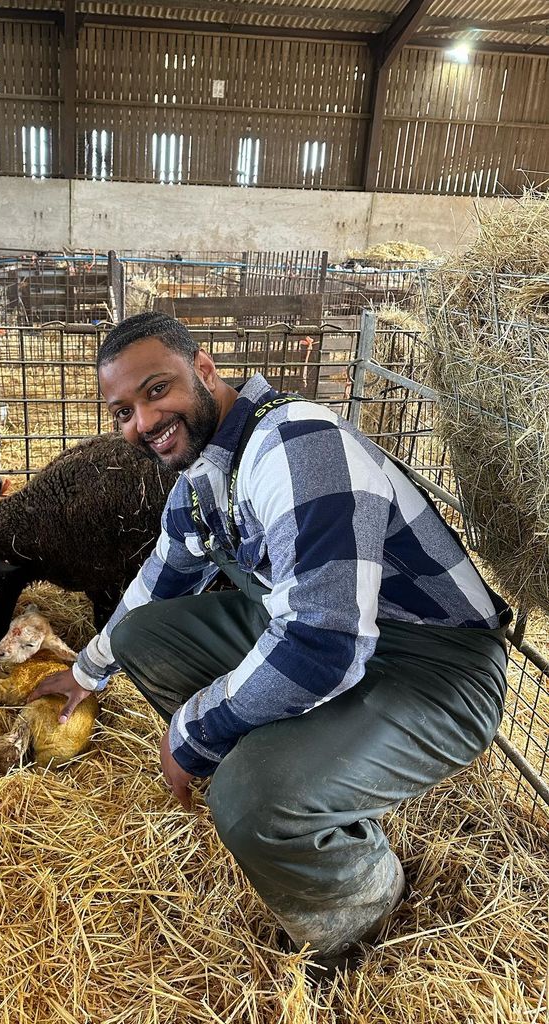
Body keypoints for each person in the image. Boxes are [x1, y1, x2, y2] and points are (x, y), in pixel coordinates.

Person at [28, 311, 511, 972]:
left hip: (433, 667)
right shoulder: (204, 475)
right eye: (121, 411)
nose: (140, 422)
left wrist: (194, 734)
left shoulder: (296, 445)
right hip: (341, 638)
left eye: (154, 390)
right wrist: (86, 673)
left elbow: (322, 644)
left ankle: (359, 900)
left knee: (247, 798)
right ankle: (292, 775)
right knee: (145, 637)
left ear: (204, 371)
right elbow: (157, 582)